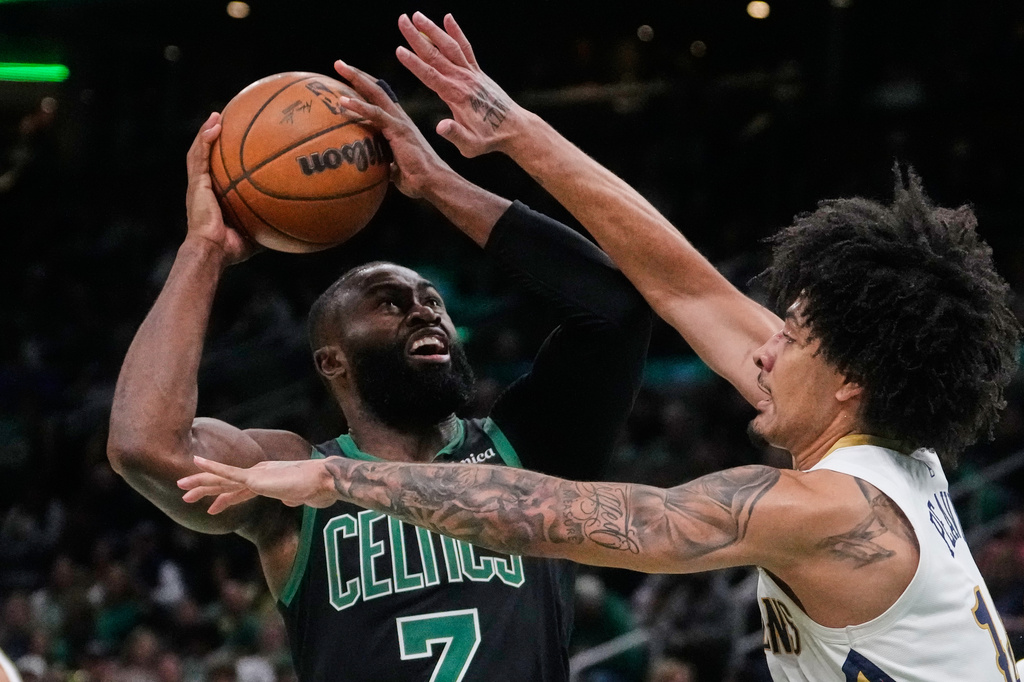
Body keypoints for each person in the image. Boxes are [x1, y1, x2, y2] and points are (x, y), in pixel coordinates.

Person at [178, 12, 1023, 681]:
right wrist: (505, 139)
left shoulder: (834, 511)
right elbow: (681, 283)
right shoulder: (892, 447)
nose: (763, 352)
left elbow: (579, 518)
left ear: (848, 383)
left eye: (791, 340)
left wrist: (337, 477)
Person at [105, 65, 652, 681]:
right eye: (390, 303)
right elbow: (144, 446)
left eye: (433, 301)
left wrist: (439, 184)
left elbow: (617, 311)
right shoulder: (294, 485)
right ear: (330, 360)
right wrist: (202, 250)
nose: (424, 309)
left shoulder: (527, 448)